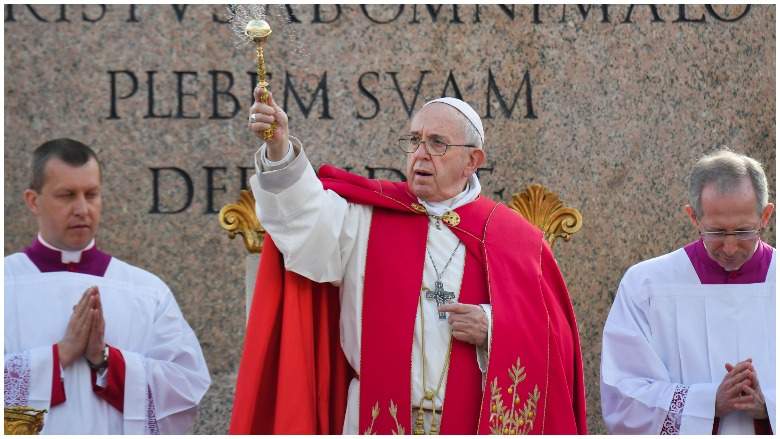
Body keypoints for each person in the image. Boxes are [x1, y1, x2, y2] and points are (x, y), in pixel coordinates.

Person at [229, 89, 587, 434]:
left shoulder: (513, 238)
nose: (421, 153)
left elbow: (558, 343)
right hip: (375, 420)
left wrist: (492, 328)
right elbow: (305, 217)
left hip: (471, 422)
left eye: (437, 143)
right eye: (414, 140)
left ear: (472, 161)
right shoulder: (367, 217)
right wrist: (278, 148)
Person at [4, 138, 211, 434]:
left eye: (91, 194)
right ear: (33, 200)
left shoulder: (146, 291)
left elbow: (185, 389)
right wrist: (59, 355)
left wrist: (106, 359)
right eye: (66, 195)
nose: (81, 209)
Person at [600, 149, 775, 434]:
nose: (730, 247)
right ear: (693, 217)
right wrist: (707, 404)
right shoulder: (646, 286)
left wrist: (767, 406)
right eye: (716, 232)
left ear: (766, 215)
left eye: (744, 231)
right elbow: (623, 394)